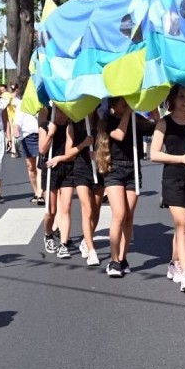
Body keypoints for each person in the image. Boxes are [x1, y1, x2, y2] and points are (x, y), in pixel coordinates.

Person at [150, 85, 185, 293]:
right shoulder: (164, 123)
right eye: (181, 96)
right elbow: (154, 154)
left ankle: (174, 263)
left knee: (183, 227)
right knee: (181, 224)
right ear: (172, 99)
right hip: (173, 177)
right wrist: (180, 159)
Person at [95, 97, 156, 278]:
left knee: (129, 217)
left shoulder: (136, 120)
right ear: (113, 106)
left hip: (133, 170)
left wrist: (153, 106)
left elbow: (156, 127)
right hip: (114, 169)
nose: (127, 106)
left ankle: (123, 258)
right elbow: (119, 135)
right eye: (123, 104)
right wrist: (129, 113)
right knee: (119, 214)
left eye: (128, 103)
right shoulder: (107, 122)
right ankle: (113, 261)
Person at [38, 106, 77, 259]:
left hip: (66, 168)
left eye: (64, 112)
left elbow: (69, 153)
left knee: (66, 208)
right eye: (59, 112)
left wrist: (59, 159)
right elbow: (42, 149)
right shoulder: (45, 126)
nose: (62, 115)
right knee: (51, 210)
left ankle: (63, 244)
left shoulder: (69, 126)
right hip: (50, 170)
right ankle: (48, 235)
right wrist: (51, 133)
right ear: (53, 111)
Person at [72, 114, 103, 267]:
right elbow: (69, 151)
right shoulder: (74, 125)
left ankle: (86, 239)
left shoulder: (101, 125)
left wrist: (98, 155)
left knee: (96, 210)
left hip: (98, 169)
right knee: (87, 209)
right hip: (81, 169)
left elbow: (107, 149)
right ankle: (92, 251)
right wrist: (84, 144)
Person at [13, 90, 43, 203]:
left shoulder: (42, 101)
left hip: (41, 135)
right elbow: (17, 121)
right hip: (27, 136)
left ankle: (41, 193)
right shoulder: (22, 104)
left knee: (40, 165)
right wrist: (16, 130)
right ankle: (36, 191)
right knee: (31, 166)